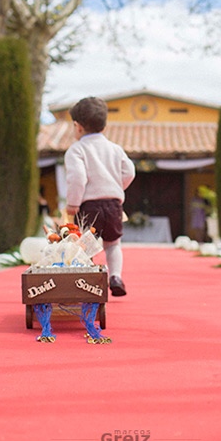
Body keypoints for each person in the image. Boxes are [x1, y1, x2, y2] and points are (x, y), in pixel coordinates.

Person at [64, 97, 136, 297]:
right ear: (105, 126)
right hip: (113, 204)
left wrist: (72, 204)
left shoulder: (76, 150)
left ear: (77, 127)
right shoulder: (115, 149)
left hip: (89, 206)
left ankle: (87, 284)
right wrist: (115, 188)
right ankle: (115, 277)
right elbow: (130, 172)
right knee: (113, 244)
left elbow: (78, 178)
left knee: (86, 246)